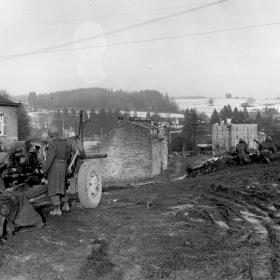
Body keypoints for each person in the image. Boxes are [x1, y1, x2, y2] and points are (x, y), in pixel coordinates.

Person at [42, 125, 71, 216]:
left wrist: (44, 169)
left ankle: (57, 210)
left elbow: (50, 158)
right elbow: (68, 155)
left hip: (55, 167)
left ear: (51, 135)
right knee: (62, 187)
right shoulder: (65, 142)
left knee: (53, 188)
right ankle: (66, 205)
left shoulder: (53, 143)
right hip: (63, 166)